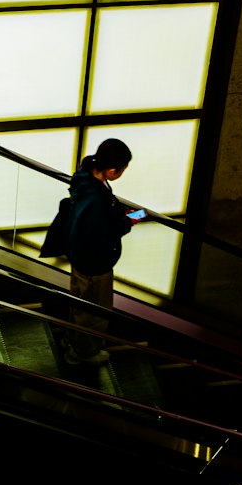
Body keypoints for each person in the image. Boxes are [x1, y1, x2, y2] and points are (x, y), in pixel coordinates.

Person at [62, 138, 138, 366]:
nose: (122, 173)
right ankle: (84, 353)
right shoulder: (96, 199)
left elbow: (102, 214)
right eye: (123, 170)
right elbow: (104, 233)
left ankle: (73, 341)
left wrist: (120, 212)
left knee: (79, 302)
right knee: (95, 311)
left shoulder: (85, 177)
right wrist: (129, 221)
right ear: (113, 170)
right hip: (95, 264)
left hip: (79, 256)